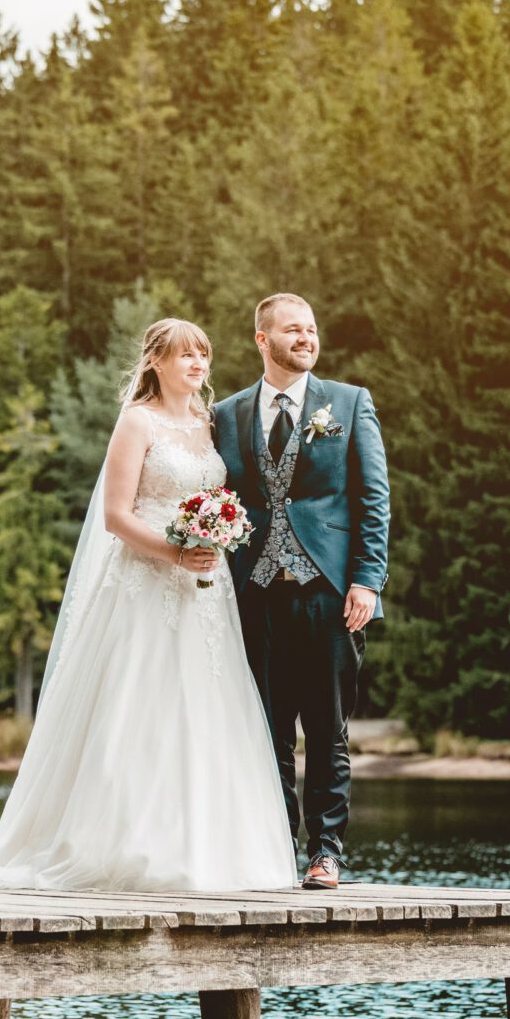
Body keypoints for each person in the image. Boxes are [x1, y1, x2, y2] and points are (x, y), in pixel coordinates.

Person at [0, 318, 299, 892]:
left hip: (205, 590)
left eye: (203, 354)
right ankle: (121, 845)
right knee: (138, 704)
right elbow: (116, 516)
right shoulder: (137, 421)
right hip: (146, 581)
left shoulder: (209, 422)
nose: (198, 364)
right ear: (156, 362)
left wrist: (215, 537)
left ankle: (205, 849)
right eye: (185, 356)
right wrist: (175, 554)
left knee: (205, 707)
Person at [209, 293, 390, 889]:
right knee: (266, 732)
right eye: (293, 330)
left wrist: (367, 580)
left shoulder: (350, 403)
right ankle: (274, 847)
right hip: (253, 594)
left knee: (327, 727)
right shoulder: (228, 414)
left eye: (311, 329)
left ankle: (326, 852)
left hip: (329, 593)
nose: (306, 338)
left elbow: (373, 500)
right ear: (263, 340)